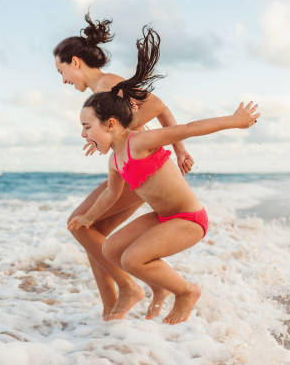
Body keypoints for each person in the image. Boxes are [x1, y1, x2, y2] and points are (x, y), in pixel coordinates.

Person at [67, 26, 260, 324]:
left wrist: (235, 121)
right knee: (111, 248)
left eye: (87, 127)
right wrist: (88, 217)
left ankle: (185, 291)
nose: (83, 134)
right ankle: (159, 288)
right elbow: (111, 194)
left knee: (132, 258)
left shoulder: (139, 142)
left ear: (110, 124)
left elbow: (189, 128)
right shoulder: (116, 160)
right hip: (163, 217)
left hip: (188, 219)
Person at [54, 14, 195, 321]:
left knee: (80, 224)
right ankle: (112, 308)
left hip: (138, 170)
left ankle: (130, 287)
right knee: (94, 234)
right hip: (134, 169)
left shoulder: (109, 84)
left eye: (62, 70)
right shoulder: (100, 93)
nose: (63, 79)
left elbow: (158, 106)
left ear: (75, 62)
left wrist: (177, 146)